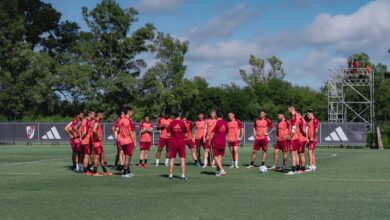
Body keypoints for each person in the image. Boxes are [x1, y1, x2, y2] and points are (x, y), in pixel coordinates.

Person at [167, 111, 188, 180]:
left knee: (172, 159)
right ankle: (183, 175)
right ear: (180, 115)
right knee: (182, 159)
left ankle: (170, 175)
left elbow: (168, 133)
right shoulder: (182, 123)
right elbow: (186, 134)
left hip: (173, 143)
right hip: (181, 143)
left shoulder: (172, 123)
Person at [91, 110, 112, 176]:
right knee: (97, 157)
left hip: (98, 142)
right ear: (99, 114)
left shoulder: (96, 121)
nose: (103, 116)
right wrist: (97, 137)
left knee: (101, 157)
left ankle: (105, 171)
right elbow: (94, 130)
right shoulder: (96, 121)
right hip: (97, 142)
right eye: (102, 114)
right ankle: (95, 172)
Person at [119, 107, 136, 178]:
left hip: (122, 141)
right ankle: (125, 173)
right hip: (128, 140)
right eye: (131, 111)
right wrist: (134, 141)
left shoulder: (121, 120)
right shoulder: (129, 121)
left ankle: (127, 171)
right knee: (127, 157)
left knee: (126, 156)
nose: (132, 113)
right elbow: (131, 132)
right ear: (128, 112)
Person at [210, 112, 229, 176]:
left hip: (216, 141)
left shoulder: (216, 122)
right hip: (223, 142)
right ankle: (218, 171)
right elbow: (227, 133)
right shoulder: (226, 123)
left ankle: (222, 170)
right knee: (219, 156)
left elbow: (212, 133)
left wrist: (209, 140)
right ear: (222, 116)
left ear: (216, 116)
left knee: (215, 156)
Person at [80, 110, 95, 175]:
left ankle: (87, 169)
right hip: (86, 140)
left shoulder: (89, 121)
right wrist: (81, 138)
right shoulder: (86, 121)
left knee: (88, 154)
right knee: (86, 155)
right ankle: (85, 170)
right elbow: (84, 131)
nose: (94, 115)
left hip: (89, 140)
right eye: (93, 114)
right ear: (89, 114)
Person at [286, 105, 300, 175]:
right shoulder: (295, 116)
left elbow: (293, 128)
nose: (287, 110)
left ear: (291, 109)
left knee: (293, 154)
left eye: (288, 108)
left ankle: (293, 170)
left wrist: (290, 136)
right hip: (296, 137)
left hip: (293, 138)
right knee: (295, 153)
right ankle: (297, 170)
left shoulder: (294, 116)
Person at [296, 109, 307, 174]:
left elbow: (304, 130)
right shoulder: (300, 119)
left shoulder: (301, 120)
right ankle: (299, 167)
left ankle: (302, 168)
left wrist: (307, 137)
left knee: (301, 154)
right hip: (299, 139)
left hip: (301, 140)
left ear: (298, 113)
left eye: (296, 114)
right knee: (298, 154)